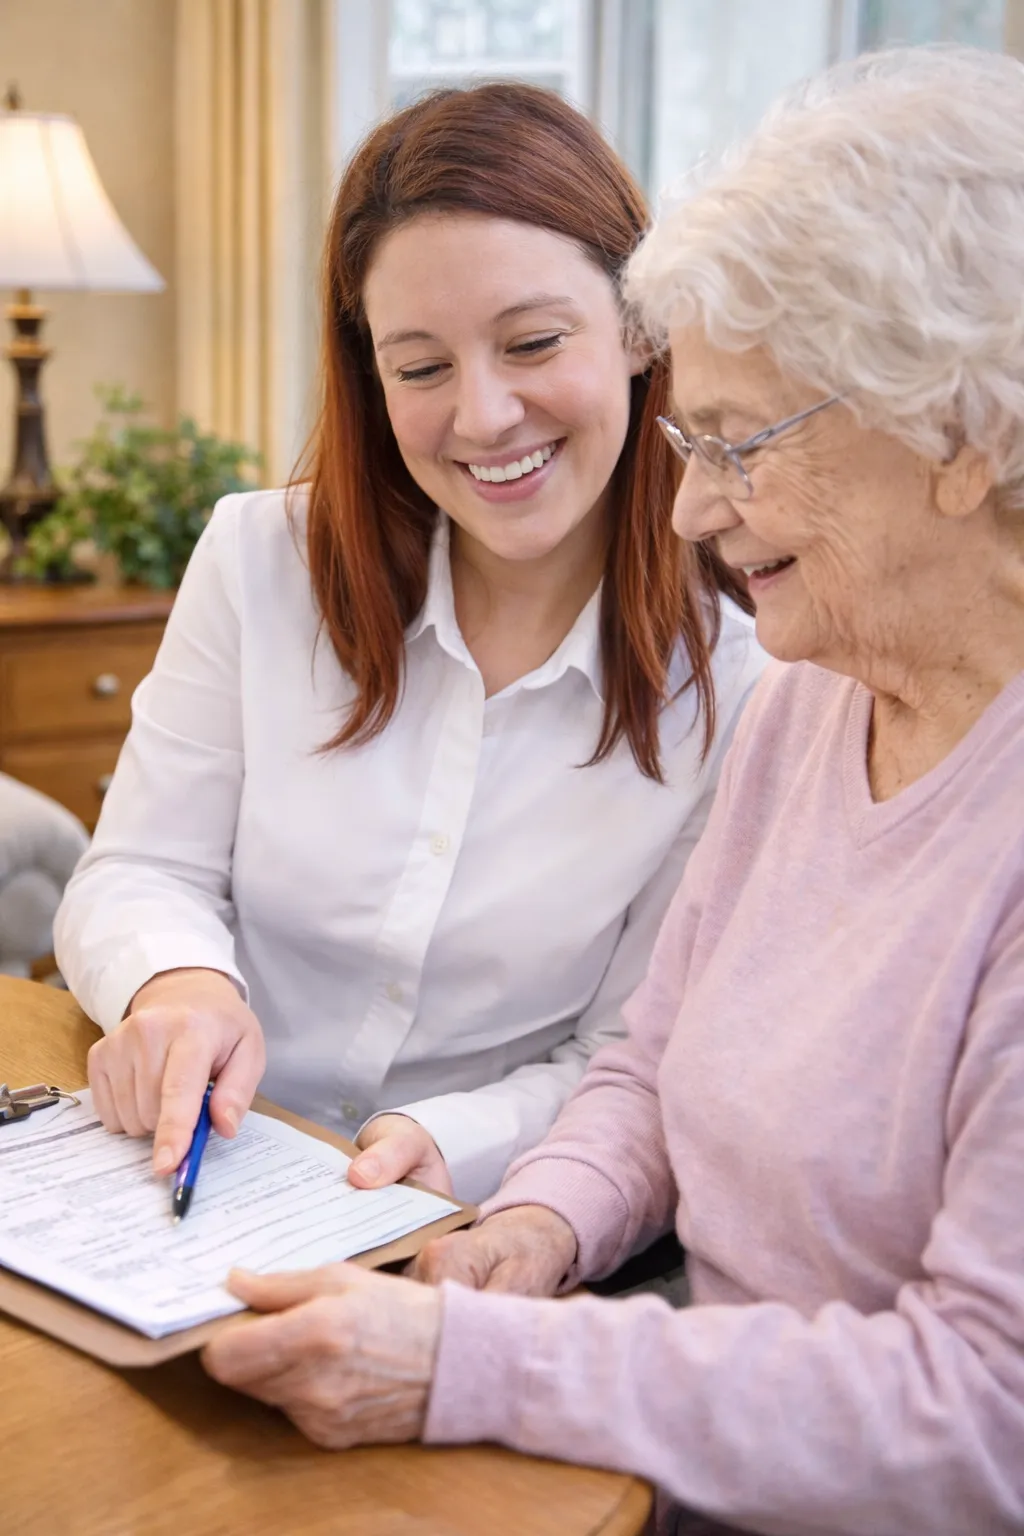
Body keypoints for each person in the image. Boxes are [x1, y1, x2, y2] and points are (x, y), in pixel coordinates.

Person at [202, 46, 1024, 1536]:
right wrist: (536, 1224)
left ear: (962, 437)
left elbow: (984, 1416)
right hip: (670, 1456)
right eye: (688, 441)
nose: (695, 505)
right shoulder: (816, 708)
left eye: (742, 445)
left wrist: (479, 1358)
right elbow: (648, 1063)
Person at [54, 83, 763, 1207]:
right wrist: (178, 984)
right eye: (421, 367)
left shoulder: (741, 683)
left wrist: (446, 1141)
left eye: (531, 342)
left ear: (639, 333)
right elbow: (140, 868)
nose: (482, 417)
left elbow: (631, 1052)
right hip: (185, 1170)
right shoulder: (261, 559)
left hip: (468, 1213)